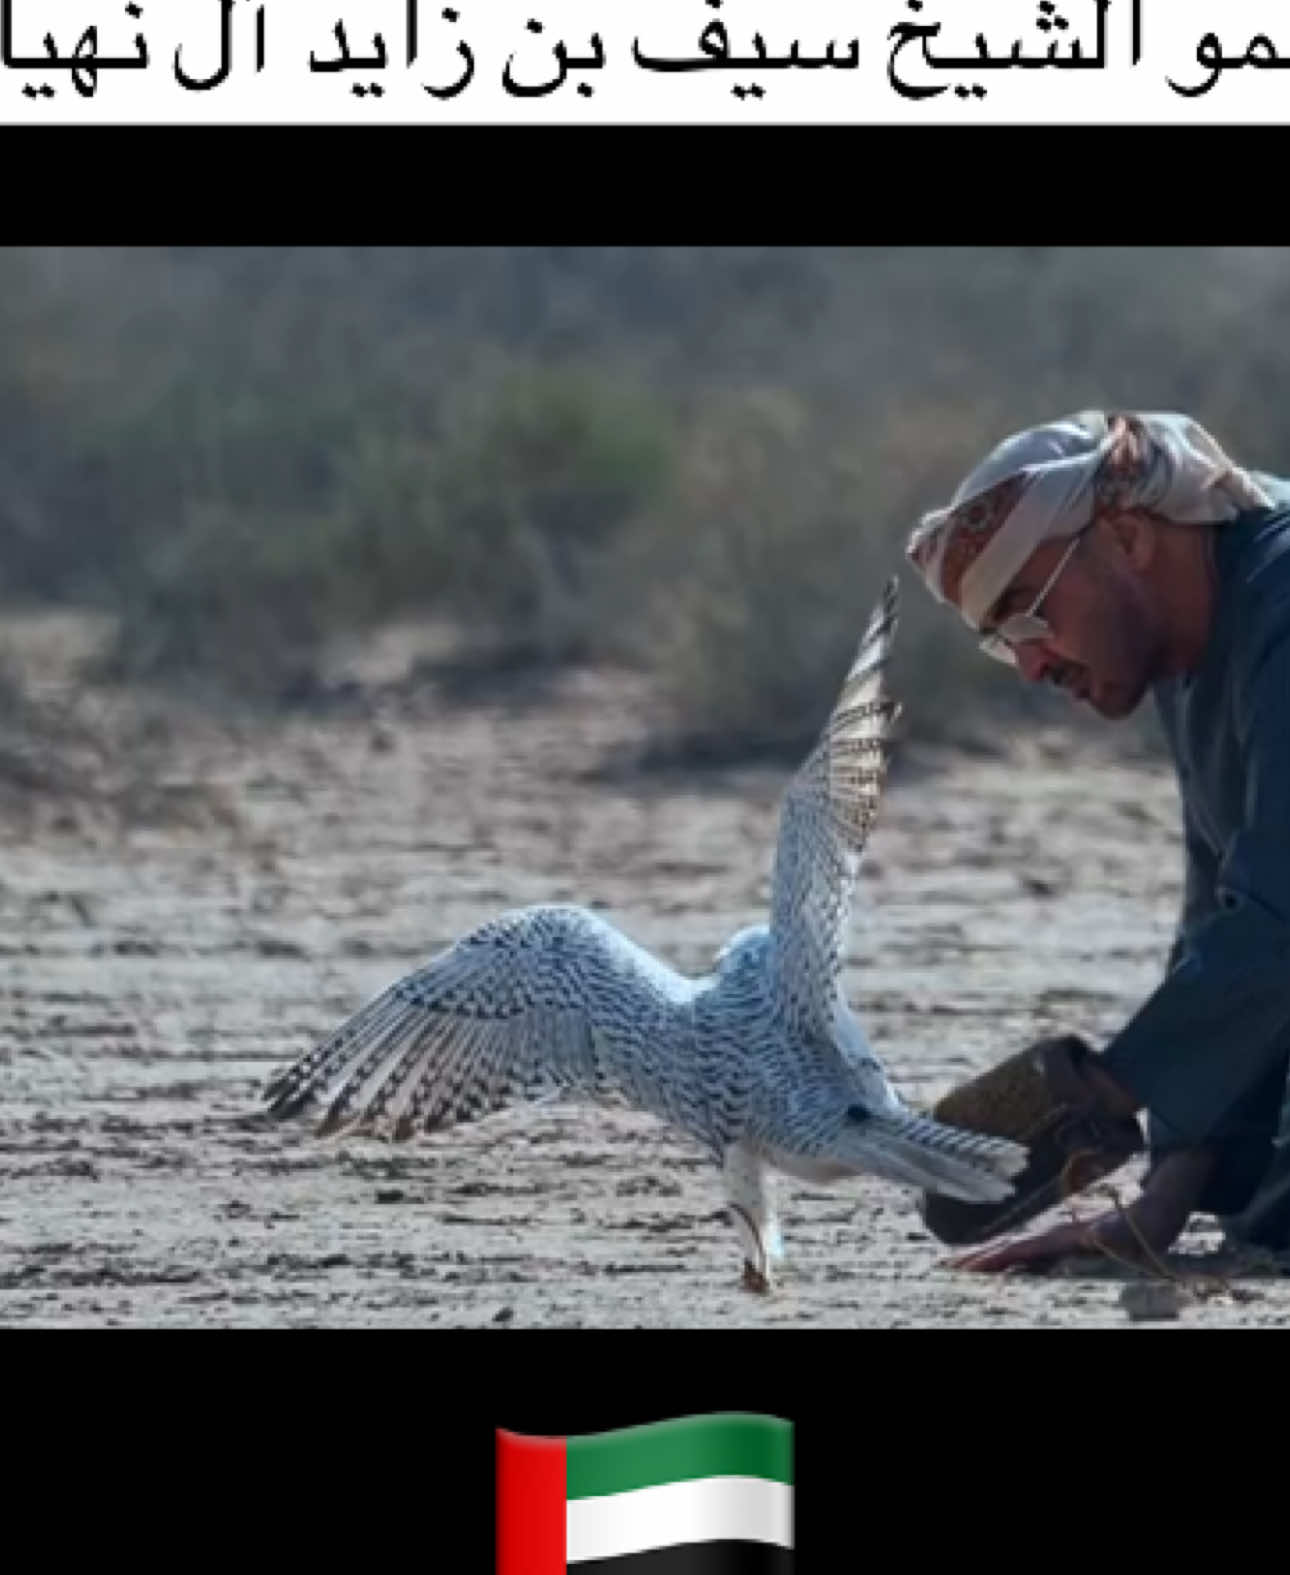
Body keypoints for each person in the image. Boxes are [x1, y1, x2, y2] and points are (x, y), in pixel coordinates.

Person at [904, 410, 1290, 1272]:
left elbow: (1282, 916)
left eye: (1031, 613)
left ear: (1126, 536)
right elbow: (1228, 918)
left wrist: (1109, 1088)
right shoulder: (1199, 645)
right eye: (1005, 645)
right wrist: (1163, 1203)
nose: (1034, 665)